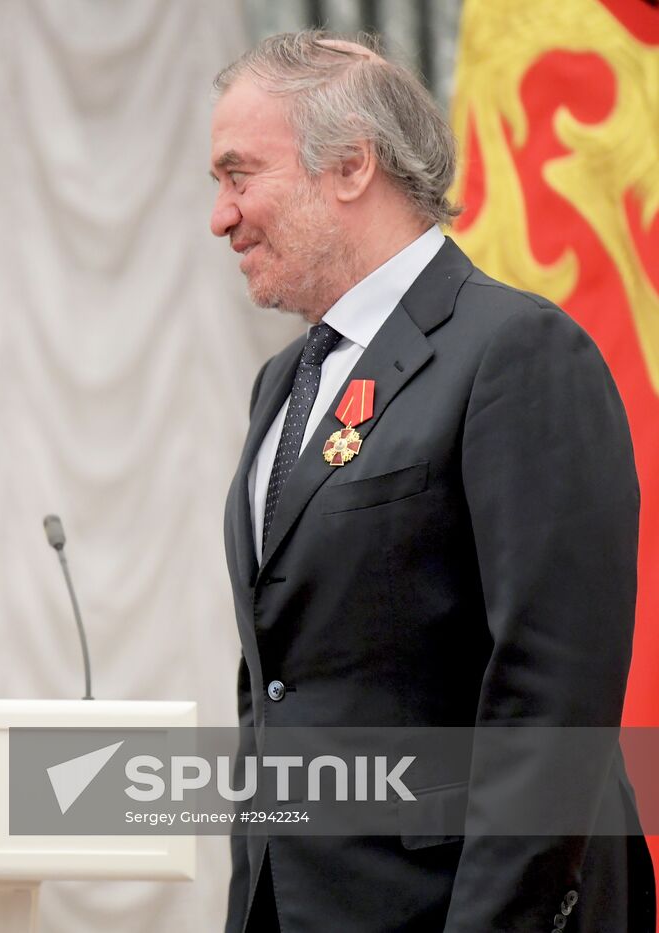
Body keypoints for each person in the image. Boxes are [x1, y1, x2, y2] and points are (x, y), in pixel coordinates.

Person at [209, 32, 654, 932]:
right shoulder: (281, 385)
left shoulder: (517, 352)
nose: (221, 216)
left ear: (349, 166)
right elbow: (279, 686)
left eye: (238, 174)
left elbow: (551, 700)